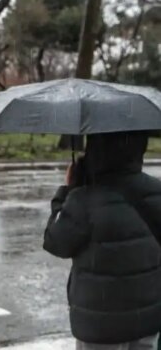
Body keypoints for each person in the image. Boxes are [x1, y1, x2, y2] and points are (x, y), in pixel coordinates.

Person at [44, 131, 161, 350]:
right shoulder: (156, 191)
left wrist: (66, 192)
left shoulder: (83, 199)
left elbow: (55, 241)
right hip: (147, 319)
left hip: (100, 328)